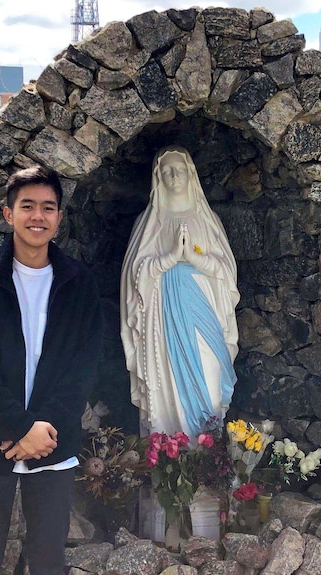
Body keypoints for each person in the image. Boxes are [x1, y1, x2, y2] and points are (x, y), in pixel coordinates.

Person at [0, 164, 103, 575]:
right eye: (27, 206)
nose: (38, 216)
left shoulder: (78, 283)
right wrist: (17, 427)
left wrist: (41, 429)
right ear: (8, 214)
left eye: (48, 208)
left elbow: (83, 366)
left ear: (59, 218)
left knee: (49, 559)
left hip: (52, 441)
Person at [120, 146, 240, 438]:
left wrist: (194, 259)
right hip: (164, 319)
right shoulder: (149, 223)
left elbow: (226, 272)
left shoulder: (207, 219)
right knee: (168, 391)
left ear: (191, 174)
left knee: (212, 390)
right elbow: (133, 276)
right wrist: (170, 258)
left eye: (180, 169)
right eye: (167, 170)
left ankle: (210, 461)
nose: (174, 175)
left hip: (205, 311)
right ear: (158, 177)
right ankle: (171, 465)